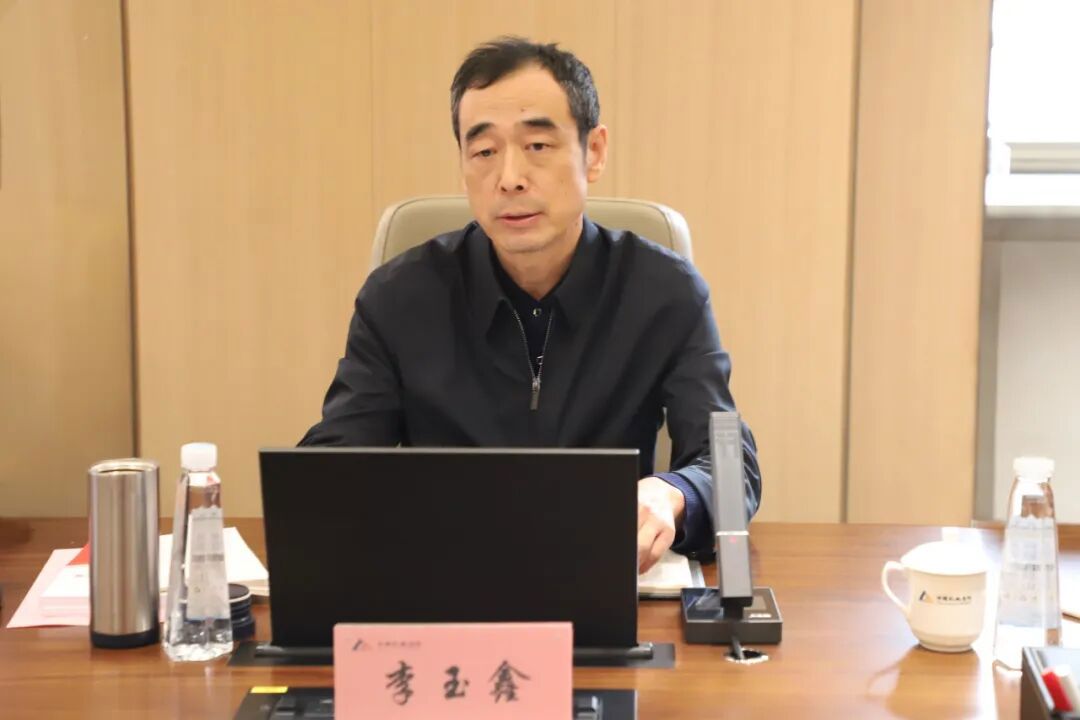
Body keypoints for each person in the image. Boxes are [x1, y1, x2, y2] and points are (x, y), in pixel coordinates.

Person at [300, 37, 761, 572]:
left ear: (594, 151)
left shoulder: (664, 292)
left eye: (538, 145)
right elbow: (335, 465)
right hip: (445, 580)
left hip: (605, 577)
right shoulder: (399, 297)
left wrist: (673, 493)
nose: (509, 178)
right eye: (484, 152)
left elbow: (727, 464)